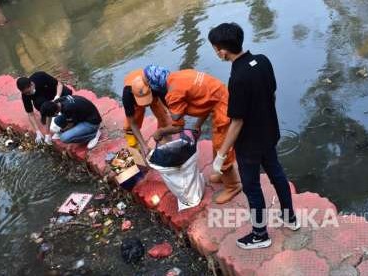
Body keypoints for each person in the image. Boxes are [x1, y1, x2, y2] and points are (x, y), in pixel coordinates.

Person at [208, 22, 299, 250]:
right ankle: (289, 217)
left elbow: (237, 122)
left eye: (215, 49)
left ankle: (260, 234)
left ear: (222, 50)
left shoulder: (238, 78)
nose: (216, 53)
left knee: (252, 187)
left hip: (249, 144)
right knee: (277, 174)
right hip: (270, 132)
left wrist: (221, 155)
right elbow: (272, 94)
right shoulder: (263, 60)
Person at [145, 65, 242, 204]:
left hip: (224, 108)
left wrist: (160, 132)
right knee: (217, 144)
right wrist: (198, 124)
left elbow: (178, 126)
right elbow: (204, 100)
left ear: (156, 86)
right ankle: (223, 175)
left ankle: (233, 186)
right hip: (220, 97)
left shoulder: (172, 94)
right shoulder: (179, 75)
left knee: (222, 150)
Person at [122, 69, 171, 159]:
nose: (146, 105)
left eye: (147, 100)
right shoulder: (127, 95)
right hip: (135, 99)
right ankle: (134, 147)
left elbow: (170, 108)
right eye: (143, 101)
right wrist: (144, 145)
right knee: (129, 126)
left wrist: (174, 124)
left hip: (153, 94)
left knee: (164, 116)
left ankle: (163, 138)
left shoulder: (156, 87)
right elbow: (133, 123)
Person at [16, 71, 72, 145]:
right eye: (26, 93)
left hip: (57, 94)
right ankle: (51, 114)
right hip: (46, 100)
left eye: (29, 92)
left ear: (32, 84)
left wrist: (57, 97)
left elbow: (59, 84)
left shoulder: (40, 76)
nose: (28, 94)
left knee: (66, 99)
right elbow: (30, 114)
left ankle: (60, 114)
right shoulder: (25, 95)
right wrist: (37, 131)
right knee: (38, 103)